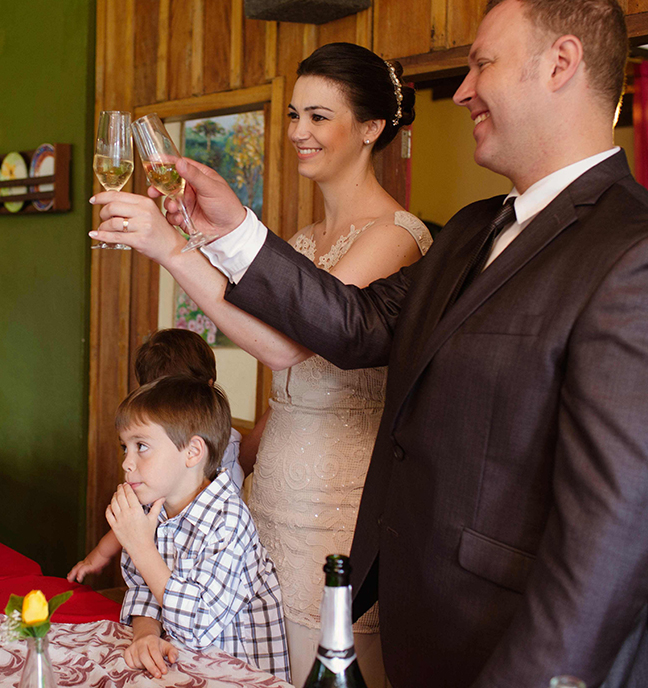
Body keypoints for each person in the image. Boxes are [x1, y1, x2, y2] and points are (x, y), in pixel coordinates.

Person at [93, 0, 648, 687]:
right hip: (413, 618)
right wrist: (233, 230)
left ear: (561, 63)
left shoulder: (647, 258)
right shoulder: (466, 231)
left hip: (518, 651)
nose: (459, 91)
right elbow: (354, 324)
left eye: (482, 63)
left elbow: (614, 543)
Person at [92, 42, 427, 686]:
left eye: (320, 117)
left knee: (326, 662)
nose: (299, 131)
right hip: (269, 490)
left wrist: (171, 249)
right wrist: (187, 244)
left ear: (371, 128)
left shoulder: (395, 237)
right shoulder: (300, 243)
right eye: (295, 114)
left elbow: (291, 349)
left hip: (338, 499)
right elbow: (264, 354)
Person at [108, 375, 289, 680]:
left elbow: (198, 626)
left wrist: (141, 546)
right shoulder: (150, 508)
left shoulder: (227, 519)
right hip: (181, 666)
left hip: (235, 675)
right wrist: (145, 635)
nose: (127, 462)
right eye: (124, 447)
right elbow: (142, 588)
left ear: (192, 452)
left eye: (141, 446)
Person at [68, 328, 244, 582]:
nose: (127, 463)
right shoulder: (152, 470)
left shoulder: (226, 509)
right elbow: (134, 515)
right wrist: (99, 555)